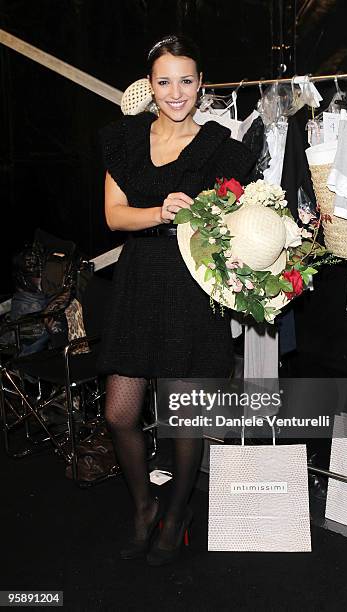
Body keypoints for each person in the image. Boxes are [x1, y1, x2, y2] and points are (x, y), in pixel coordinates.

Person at [98, 33, 256, 565]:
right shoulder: (124, 140)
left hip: (193, 282)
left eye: (185, 81)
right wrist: (160, 213)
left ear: (201, 86)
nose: (175, 91)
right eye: (164, 81)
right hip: (139, 275)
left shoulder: (222, 148)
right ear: (150, 86)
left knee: (185, 417)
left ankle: (177, 512)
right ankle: (144, 505)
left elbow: (242, 223)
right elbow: (114, 215)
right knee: (121, 412)